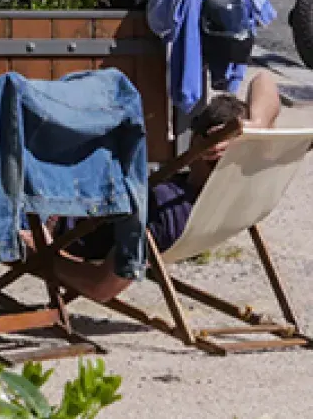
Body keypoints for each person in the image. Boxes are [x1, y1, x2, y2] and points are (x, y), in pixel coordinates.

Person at [45, 82, 280, 303]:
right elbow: (264, 79)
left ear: (198, 143)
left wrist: (39, 256)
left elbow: (100, 287)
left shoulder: (163, 209)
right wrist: (256, 125)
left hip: (50, 222)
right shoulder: (238, 195)